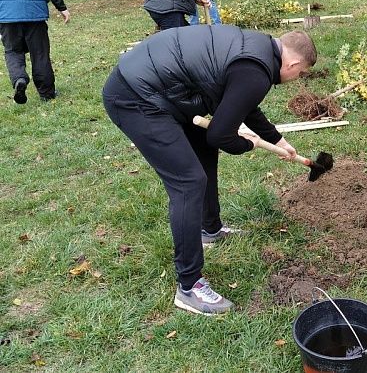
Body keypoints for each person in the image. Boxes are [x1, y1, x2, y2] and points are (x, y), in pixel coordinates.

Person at [102, 26, 317, 315]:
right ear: (293, 63)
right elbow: (221, 134)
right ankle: (189, 286)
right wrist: (248, 146)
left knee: (203, 149)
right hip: (135, 97)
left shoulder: (258, 51)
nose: (296, 80)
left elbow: (244, 105)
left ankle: (209, 229)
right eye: (300, 74)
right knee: (188, 182)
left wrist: (277, 139)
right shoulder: (256, 71)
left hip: (163, 89)